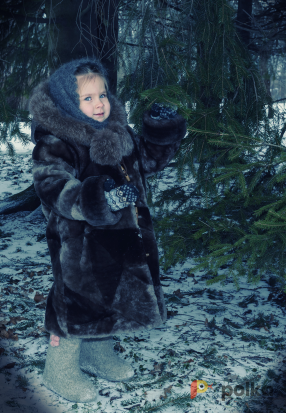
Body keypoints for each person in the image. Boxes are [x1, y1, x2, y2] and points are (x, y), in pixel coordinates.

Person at [29, 57, 186, 403]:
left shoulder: (118, 132)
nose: (99, 103)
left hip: (122, 240)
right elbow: (51, 183)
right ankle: (59, 367)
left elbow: (146, 160)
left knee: (111, 300)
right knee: (78, 302)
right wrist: (100, 198)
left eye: (102, 94)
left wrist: (161, 133)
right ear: (69, 102)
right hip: (79, 244)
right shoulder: (57, 142)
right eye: (88, 98)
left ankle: (97, 353)